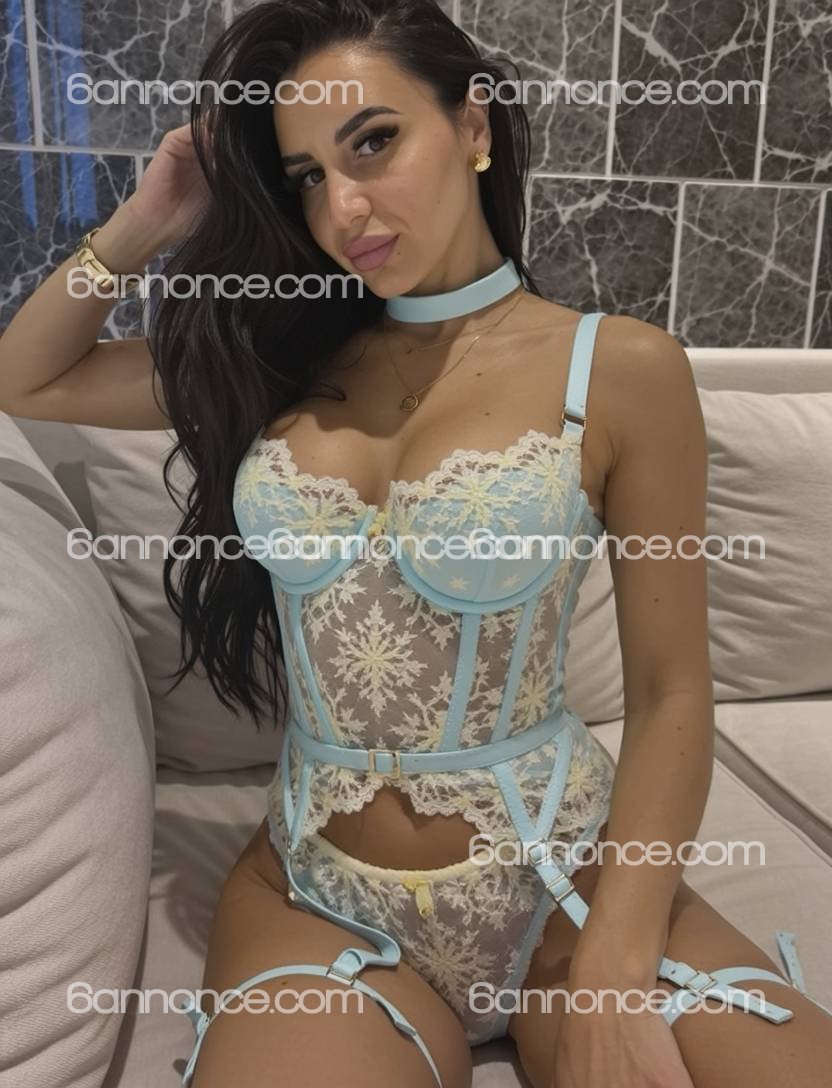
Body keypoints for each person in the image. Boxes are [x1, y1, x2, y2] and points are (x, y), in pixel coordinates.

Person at [1, 1, 830, 1085]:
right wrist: (149, 215)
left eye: (374, 143)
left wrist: (617, 958)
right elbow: (26, 376)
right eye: (305, 176)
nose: (343, 207)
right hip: (320, 898)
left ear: (472, 126)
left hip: (567, 883)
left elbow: (672, 690)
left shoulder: (619, 369)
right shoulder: (279, 359)